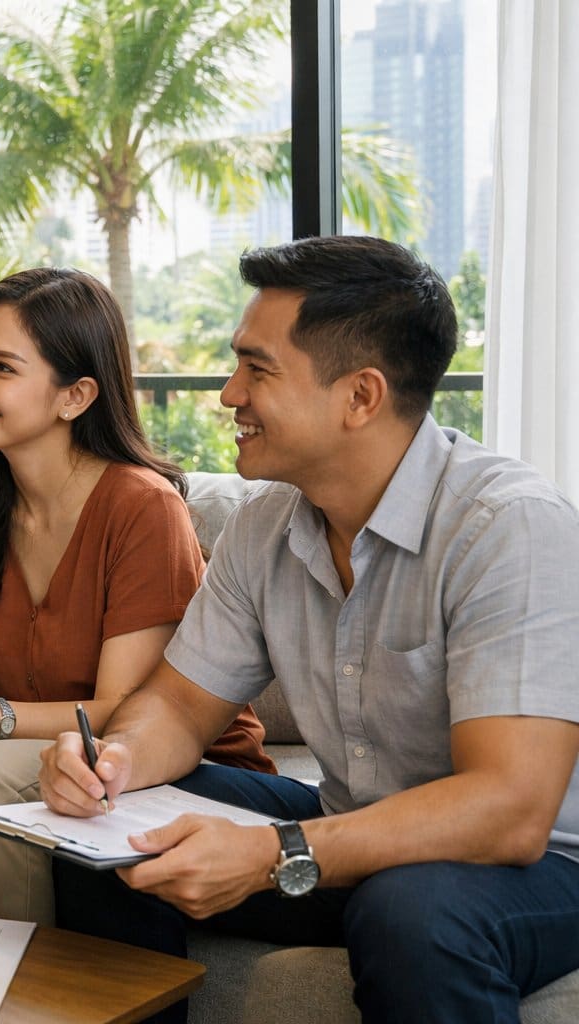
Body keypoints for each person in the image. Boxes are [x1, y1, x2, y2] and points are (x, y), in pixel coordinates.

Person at [38, 235, 579, 1023]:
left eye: (257, 370)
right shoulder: (266, 526)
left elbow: (510, 808)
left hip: (541, 865)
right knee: (102, 834)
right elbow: (182, 707)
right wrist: (112, 765)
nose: (228, 394)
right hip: (355, 829)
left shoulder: (508, 527)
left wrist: (276, 854)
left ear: (360, 396)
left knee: (413, 911)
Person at [0, 268, 273, 925]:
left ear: (75, 396)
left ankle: (22, 991)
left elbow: (121, 713)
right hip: (37, 754)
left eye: (3, 367)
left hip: (159, 768)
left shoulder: (142, 507)